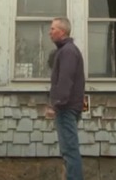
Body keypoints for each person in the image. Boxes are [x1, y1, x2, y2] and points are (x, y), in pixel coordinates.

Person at [45, 17, 85, 180]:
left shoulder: (68, 51)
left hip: (66, 108)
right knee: (69, 150)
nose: (50, 32)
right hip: (69, 107)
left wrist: (56, 104)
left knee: (70, 151)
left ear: (62, 31)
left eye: (52, 29)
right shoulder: (66, 50)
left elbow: (65, 80)